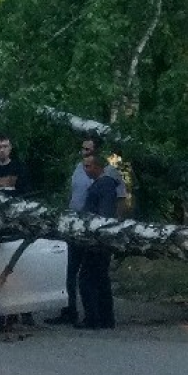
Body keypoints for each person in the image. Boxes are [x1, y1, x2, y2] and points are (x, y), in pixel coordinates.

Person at [45, 137, 126, 325]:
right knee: (80, 273)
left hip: (94, 235)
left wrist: (108, 229)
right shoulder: (81, 171)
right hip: (78, 228)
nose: (84, 156)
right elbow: (73, 194)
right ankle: (88, 314)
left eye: (88, 151)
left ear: (97, 158)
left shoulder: (107, 180)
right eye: (83, 149)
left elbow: (108, 210)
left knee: (89, 277)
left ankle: (94, 317)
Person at [76, 153, 117, 329]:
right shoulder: (100, 185)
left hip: (98, 240)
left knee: (87, 279)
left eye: (88, 166)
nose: (86, 170)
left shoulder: (105, 185)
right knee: (100, 279)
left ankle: (93, 318)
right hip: (97, 238)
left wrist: (95, 232)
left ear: (98, 167)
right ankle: (105, 318)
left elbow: (104, 213)